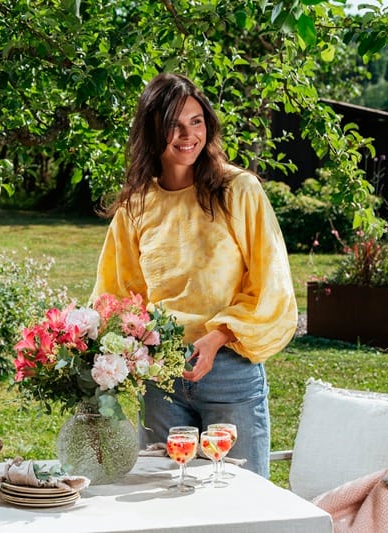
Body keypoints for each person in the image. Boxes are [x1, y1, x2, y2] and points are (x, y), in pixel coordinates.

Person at [90, 72, 297, 478]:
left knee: (242, 502)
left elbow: (270, 286)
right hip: (161, 379)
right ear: (153, 131)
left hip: (230, 372)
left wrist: (218, 335)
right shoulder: (136, 205)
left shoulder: (239, 190)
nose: (188, 135)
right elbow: (117, 296)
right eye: (173, 124)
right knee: (165, 501)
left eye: (196, 121)